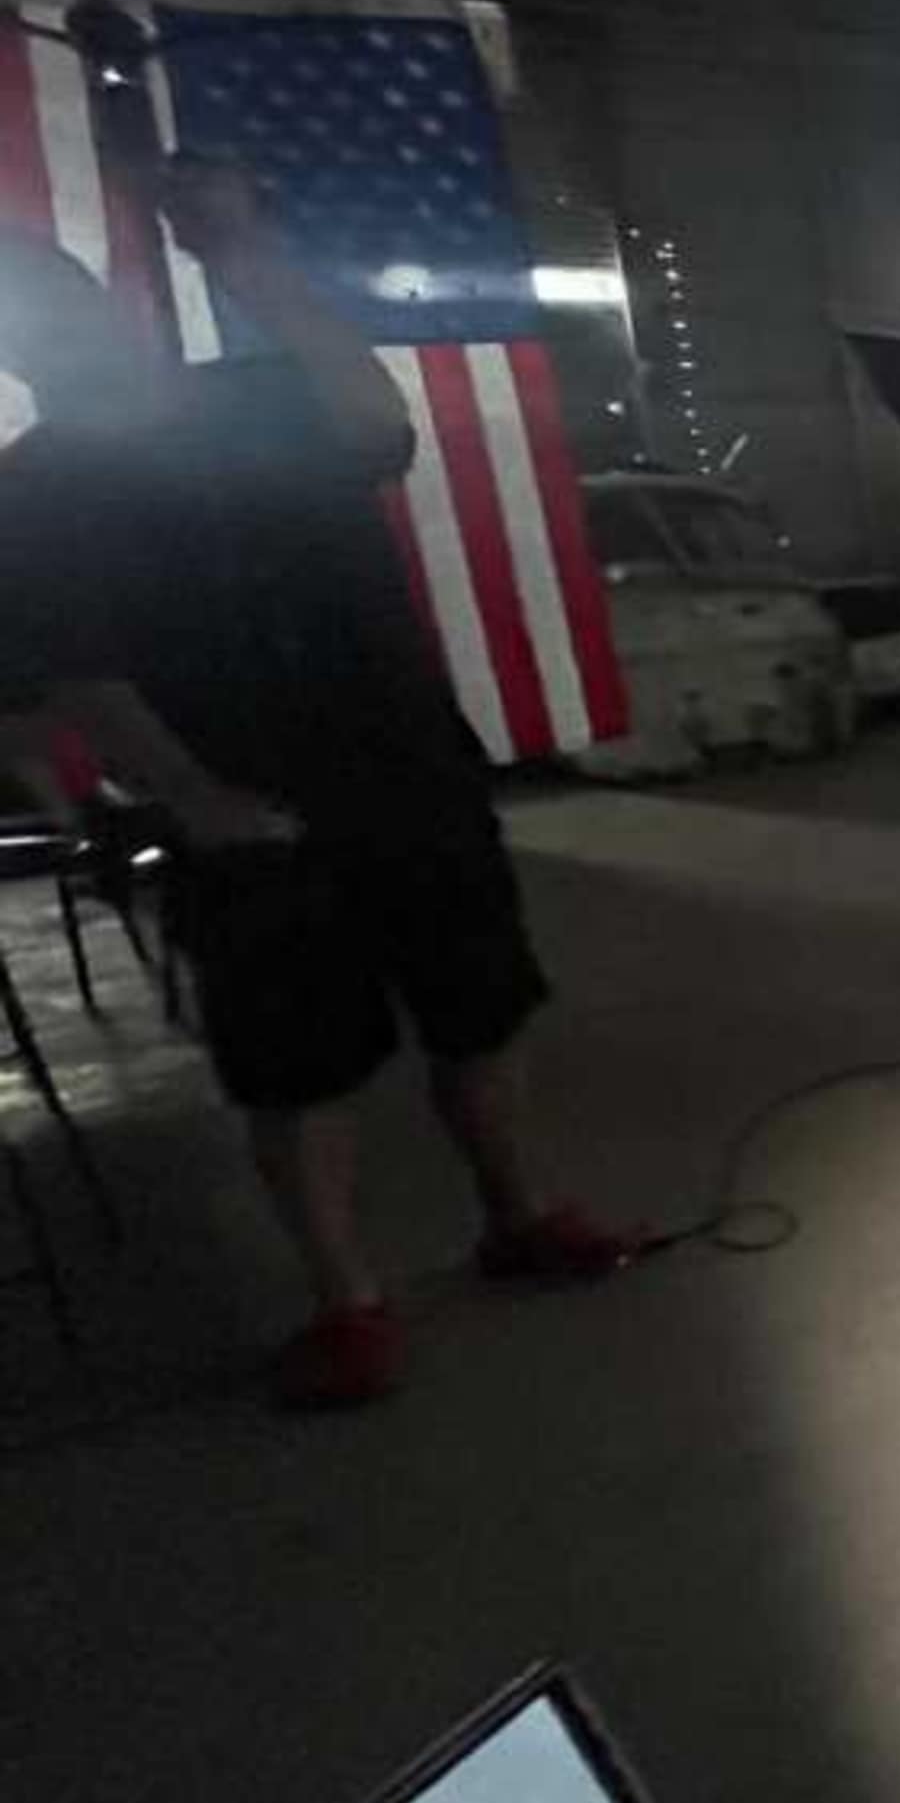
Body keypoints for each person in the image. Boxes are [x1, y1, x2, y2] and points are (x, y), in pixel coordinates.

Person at [0, 165, 622, 1408]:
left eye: (74, 302)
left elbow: (379, 428)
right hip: (247, 805)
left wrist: (253, 262)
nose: (70, 330)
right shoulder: (35, 488)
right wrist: (192, 797)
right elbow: (72, 669)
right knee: (299, 1062)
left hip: (402, 759)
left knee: (479, 1007)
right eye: (33, 320)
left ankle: (521, 1215)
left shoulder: (265, 398)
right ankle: (348, 1301)